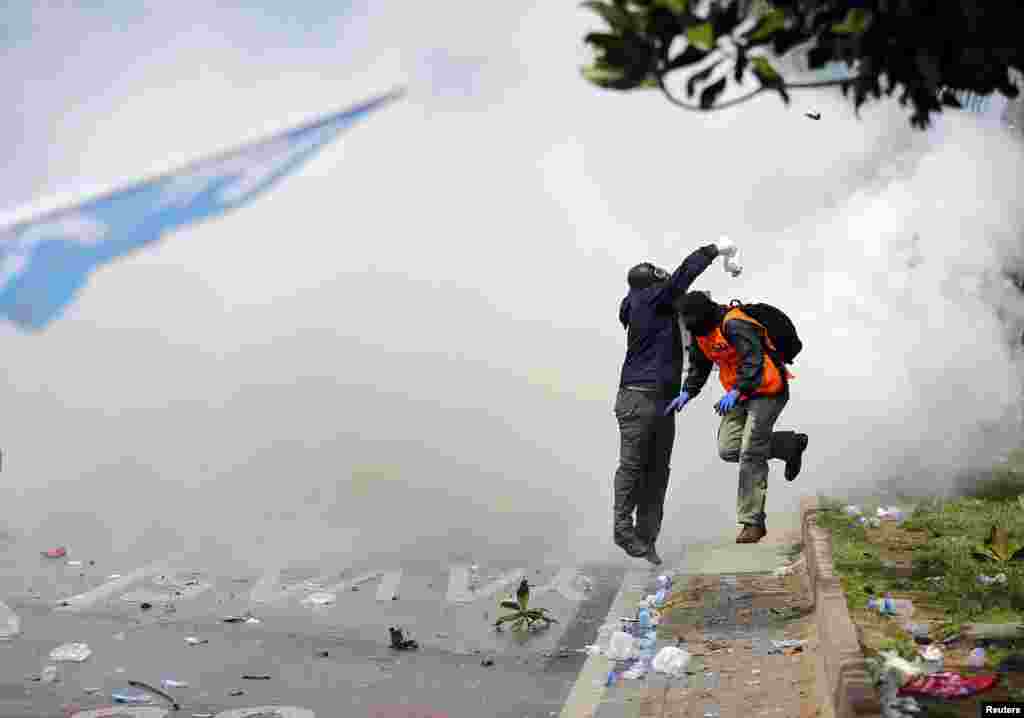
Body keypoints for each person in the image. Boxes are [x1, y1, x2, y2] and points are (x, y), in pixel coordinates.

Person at [614, 241, 736, 565]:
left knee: (654, 471)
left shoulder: (642, 306)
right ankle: (624, 530)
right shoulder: (650, 299)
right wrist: (713, 250)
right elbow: (684, 275)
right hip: (640, 398)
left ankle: (645, 538)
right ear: (655, 285)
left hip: (657, 400)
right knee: (638, 468)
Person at [666, 291, 809, 544]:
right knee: (729, 449)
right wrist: (687, 392)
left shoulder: (733, 323)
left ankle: (752, 523)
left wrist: (737, 390)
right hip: (740, 395)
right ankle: (788, 445)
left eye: (692, 321)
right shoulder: (701, 332)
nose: (689, 326)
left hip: (767, 390)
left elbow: (754, 360)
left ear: (705, 313)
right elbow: (700, 365)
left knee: (751, 452)